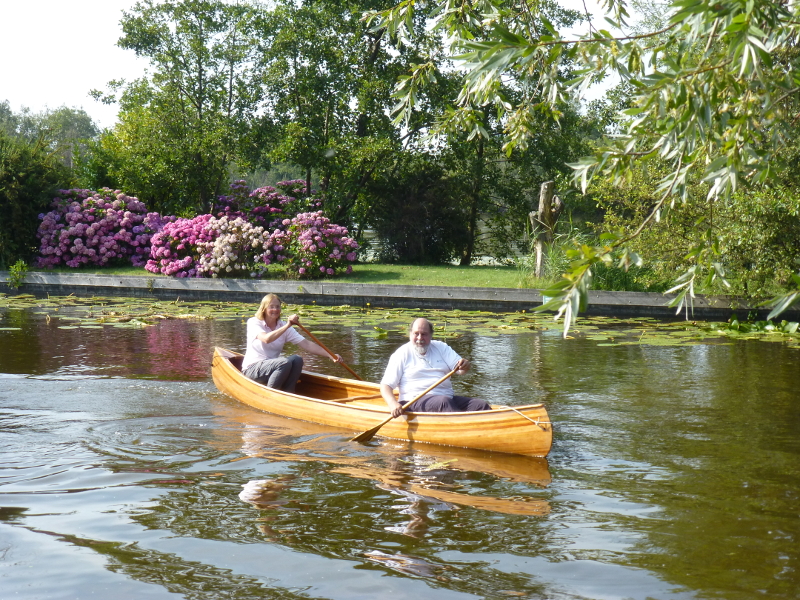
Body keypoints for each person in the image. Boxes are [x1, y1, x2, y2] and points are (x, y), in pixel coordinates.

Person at [380, 318, 491, 417]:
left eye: (424, 334)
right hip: (412, 401)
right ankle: (463, 432)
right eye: (416, 334)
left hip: (446, 398)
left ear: (431, 335)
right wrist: (393, 404)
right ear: (410, 334)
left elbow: (460, 369)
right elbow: (385, 386)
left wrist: (465, 365)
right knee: (444, 402)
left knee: (481, 405)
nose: (420, 338)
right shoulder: (401, 354)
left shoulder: (441, 347)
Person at [241, 293, 341, 392]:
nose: (275, 310)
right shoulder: (254, 322)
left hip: (273, 369)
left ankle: (289, 392)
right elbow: (266, 339)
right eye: (271, 307)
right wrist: (288, 325)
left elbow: (306, 344)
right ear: (264, 308)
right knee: (284, 362)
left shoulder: (283, 325)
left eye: (277, 307)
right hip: (252, 369)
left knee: (297, 359)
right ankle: (270, 394)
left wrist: (330, 355)